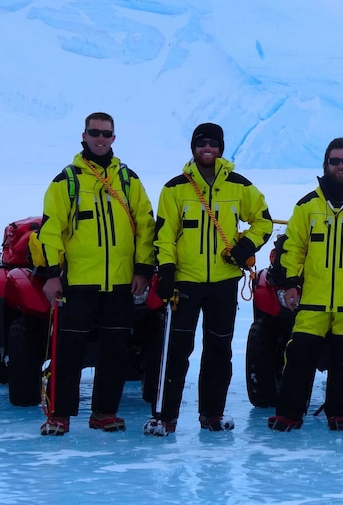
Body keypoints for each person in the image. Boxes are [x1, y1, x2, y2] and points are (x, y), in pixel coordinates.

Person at [145, 122, 272, 436]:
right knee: (175, 350)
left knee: (219, 351)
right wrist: (167, 271)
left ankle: (212, 414)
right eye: (201, 143)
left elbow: (263, 221)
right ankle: (164, 416)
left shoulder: (239, 186)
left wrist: (244, 246)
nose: (207, 149)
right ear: (193, 147)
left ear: (221, 149)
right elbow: (164, 236)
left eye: (213, 144)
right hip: (185, 282)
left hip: (223, 282)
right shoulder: (175, 188)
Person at [35, 111, 156, 436]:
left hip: (120, 282)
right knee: (68, 351)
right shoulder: (67, 181)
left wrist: (143, 269)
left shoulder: (128, 181)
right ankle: (59, 415)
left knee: (115, 350)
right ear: (84, 136)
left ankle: (104, 412)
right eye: (95, 133)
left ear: (114, 138)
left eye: (106, 134)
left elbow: (145, 224)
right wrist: (50, 275)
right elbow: (50, 232)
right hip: (78, 283)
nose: (100, 139)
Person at [266, 137, 343, 432]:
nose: (340, 166)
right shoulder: (308, 205)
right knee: (298, 355)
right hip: (313, 300)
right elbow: (294, 247)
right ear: (326, 164)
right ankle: (289, 413)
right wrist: (291, 284)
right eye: (335, 161)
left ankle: (340, 413)